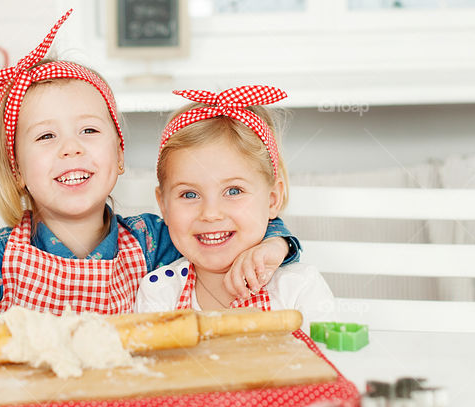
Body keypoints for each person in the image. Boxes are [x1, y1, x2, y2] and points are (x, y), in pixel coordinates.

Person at [0, 11, 302, 321]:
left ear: (120, 155)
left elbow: (227, 228)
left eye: (88, 131)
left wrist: (274, 246)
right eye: (46, 136)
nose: (71, 149)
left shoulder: (153, 241)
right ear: (18, 171)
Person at [135, 86, 334, 327]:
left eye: (233, 191)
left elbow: (324, 360)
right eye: (189, 194)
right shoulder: (159, 293)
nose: (210, 213)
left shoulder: (299, 288)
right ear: (163, 206)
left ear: (272, 200)